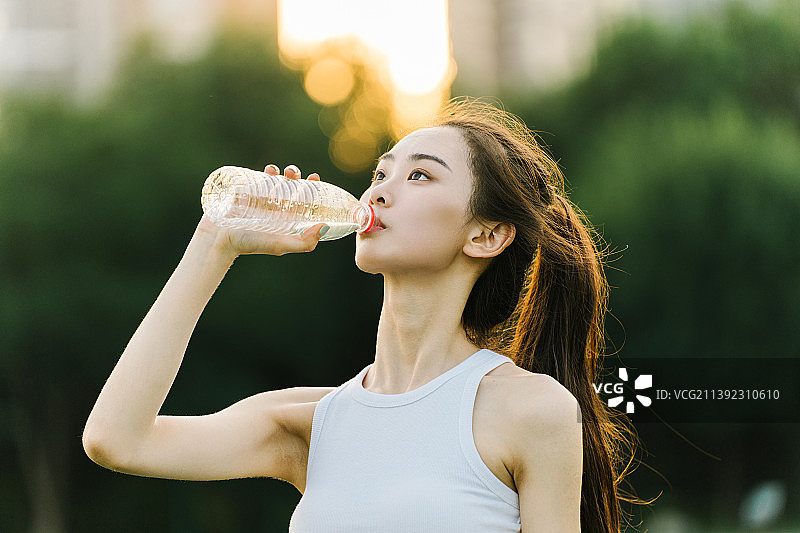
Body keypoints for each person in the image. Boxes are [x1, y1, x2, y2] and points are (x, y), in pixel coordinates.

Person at [83, 98, 642, 532]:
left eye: (419, 176)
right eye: (380, 174)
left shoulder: (533, 410)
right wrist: (215, 242)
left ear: (486, 235)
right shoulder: (312, 422)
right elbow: (115, 439)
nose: (379, 193)